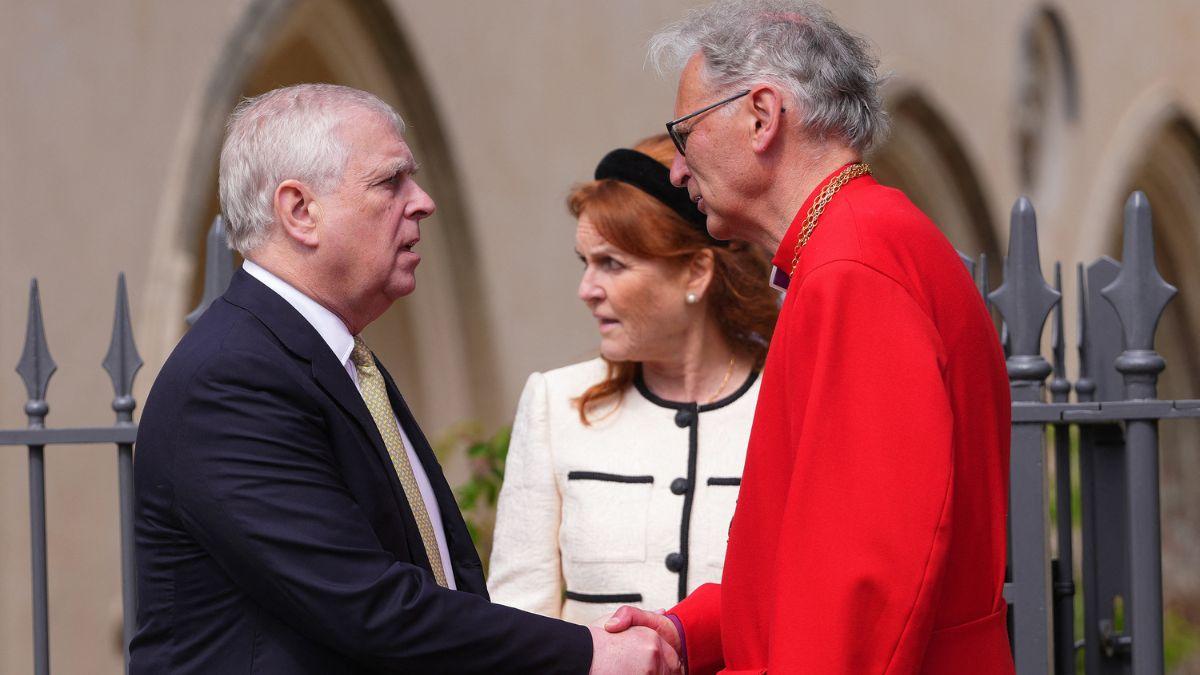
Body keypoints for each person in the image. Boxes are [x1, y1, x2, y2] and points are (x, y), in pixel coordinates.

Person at [130, 83, 678, 674]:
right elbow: (363, 601)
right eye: (390, 182)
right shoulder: (232, 380)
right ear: (299, 211)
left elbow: (433, 577)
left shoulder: (332, 357)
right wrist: (588, 653)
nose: (422, 202)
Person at [605, 2, 1015, 674]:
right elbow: (811, 554)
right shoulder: (856, 243)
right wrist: (692, 631)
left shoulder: (854, 263)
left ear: (762, 116)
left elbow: (863, 586)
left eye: (684, 135)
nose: (677, 170)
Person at [487, 134, 778, 624]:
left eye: (612, 264)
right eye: (586, 263)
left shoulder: (787, 403)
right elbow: (519, 617)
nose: (586, 290)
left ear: (695, 272)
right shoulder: (555, 404)